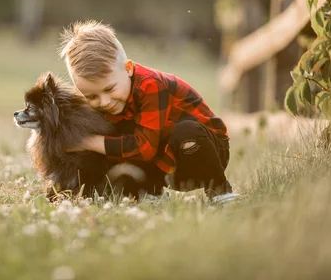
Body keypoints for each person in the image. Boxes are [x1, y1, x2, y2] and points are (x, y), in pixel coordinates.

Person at [59, 20, 232, 198]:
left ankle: (220, 191)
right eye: (91, 97)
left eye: (109, 89)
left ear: (128, 69)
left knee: (185, 131)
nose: (103, 102)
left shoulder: (151, 85)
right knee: (116, 138)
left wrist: (88, 141)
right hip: (165, 161)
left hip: (204, 153)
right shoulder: (112, 99)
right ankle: (148, 192)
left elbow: (145, 148)